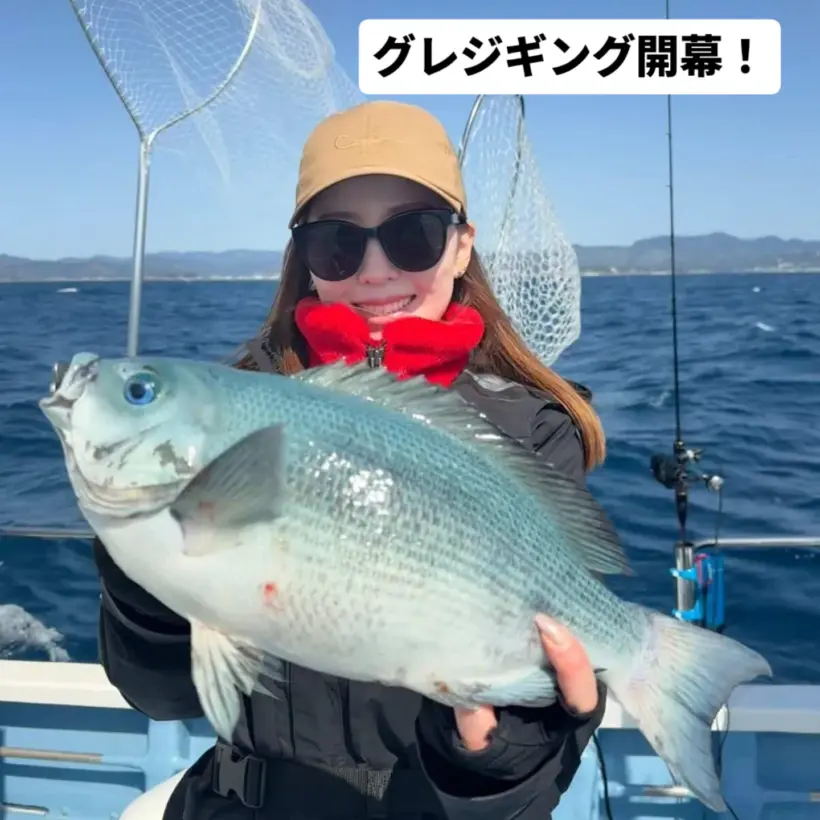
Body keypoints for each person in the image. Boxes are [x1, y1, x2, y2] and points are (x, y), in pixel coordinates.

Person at [91, 99, 610, 820]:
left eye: (413, 235)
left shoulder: (529, 431)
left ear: (462, 246)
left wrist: (499, 763)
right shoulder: (232, 412)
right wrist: (145, 566)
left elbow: (538, 736)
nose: (374, 271)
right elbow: (161, 694)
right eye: (337, 243)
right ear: (303, 258)